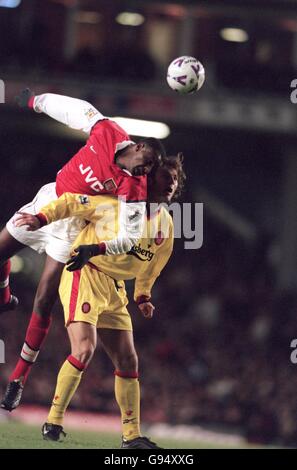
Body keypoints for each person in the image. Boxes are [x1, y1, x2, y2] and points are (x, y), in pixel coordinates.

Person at [0, 89, 166, 406]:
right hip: (49, 202)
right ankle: (5, 298)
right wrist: (34, 100)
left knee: (45, 298)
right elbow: (74, 110)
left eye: (151, 170)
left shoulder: (134, 188)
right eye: (147, 164)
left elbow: (130, 236)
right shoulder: (107, 131)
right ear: (139, 147)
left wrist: (98, 247)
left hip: (73, 225)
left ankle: (18, 378)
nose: (146, 172)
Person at [7, 155, 185, 449]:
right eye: (166, 177)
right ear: (151, 179)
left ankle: (131, 436)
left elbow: (154, 264)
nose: (172, 184)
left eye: (175, 180)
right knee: (85, 349)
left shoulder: (165, 224)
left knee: (129, 360)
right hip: (86, 274)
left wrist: (142, 295)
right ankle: (53, 419)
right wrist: (42, 217)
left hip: (115, 289)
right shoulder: (118, 203)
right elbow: (74, 202)